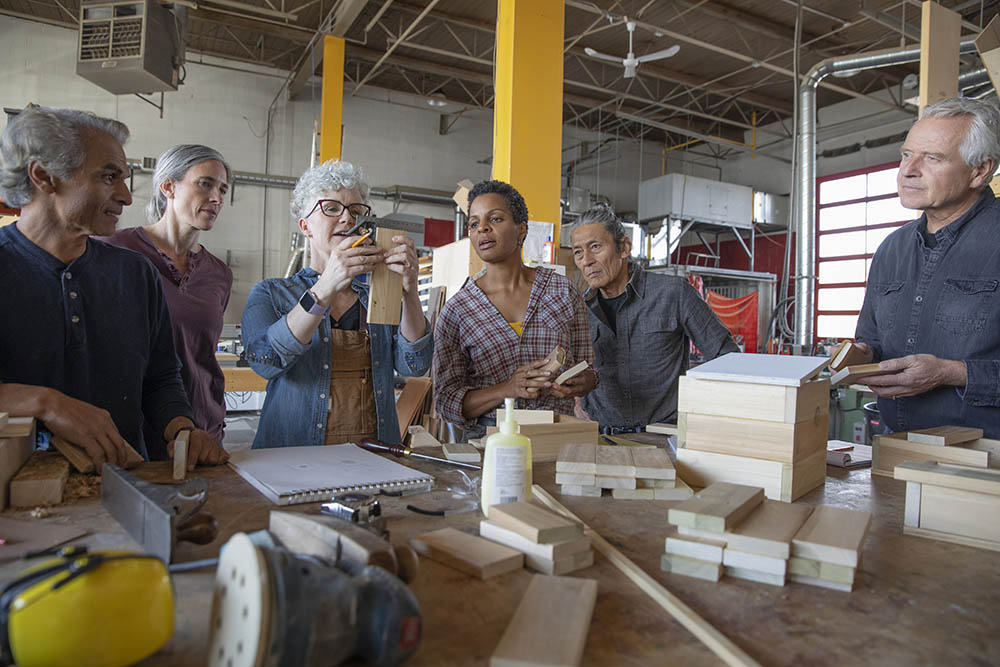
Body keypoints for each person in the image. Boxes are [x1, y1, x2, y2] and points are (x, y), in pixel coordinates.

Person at [0, 106, 229, 469]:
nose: (125, 196)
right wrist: (47, 403)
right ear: (44, 176)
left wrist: (183, 429)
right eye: (109, 177)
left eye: (124, 178)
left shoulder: (135, 274)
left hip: (123, 484)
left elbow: (160, 379)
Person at [242, 159, 432, 448]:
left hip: (372, 457)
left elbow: (415, 365)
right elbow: (264, 362)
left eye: (356, 211)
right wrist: (325, 286)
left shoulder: (377, 296)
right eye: (331, 208)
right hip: (291, 461)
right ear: (305, 225)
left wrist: (409, 291)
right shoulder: (271, 294)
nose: (347, 219)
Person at [854, 97, 1000, 438]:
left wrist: (951, 373)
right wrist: (858, 356)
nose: (909, 170)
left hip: (988, 458)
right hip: (896, 446)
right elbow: (871, 339)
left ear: (980, 171)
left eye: (933, 158)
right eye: (907, 154)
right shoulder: (891, 249)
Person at [99, 144, 233, 459]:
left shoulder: (218, 275)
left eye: (222, 189)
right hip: (132, 435)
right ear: (169, 186)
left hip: (202, 431)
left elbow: (201, 352)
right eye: (205, 184)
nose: (217, 198)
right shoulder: (114, 252)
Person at [433, 180, 597, 438]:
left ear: (521, 230)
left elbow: (589, 368)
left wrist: (583, 382)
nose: (482, 228)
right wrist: (506, 389)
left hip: (557, 437)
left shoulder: (562, 291)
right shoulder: (458, 310)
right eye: (474, 224)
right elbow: (445, 402)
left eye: (495, 219)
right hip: (491, 442)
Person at [571, 203, 738, 435]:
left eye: (595, 247)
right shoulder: (578, 308)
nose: (586, 260)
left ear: (624, 247)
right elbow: (573, 369)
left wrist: (704, 414)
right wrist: (577, 404)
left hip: (664, 436)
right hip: (600, 437)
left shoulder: (674, 294)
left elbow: (728, 359)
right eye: (578, 252)